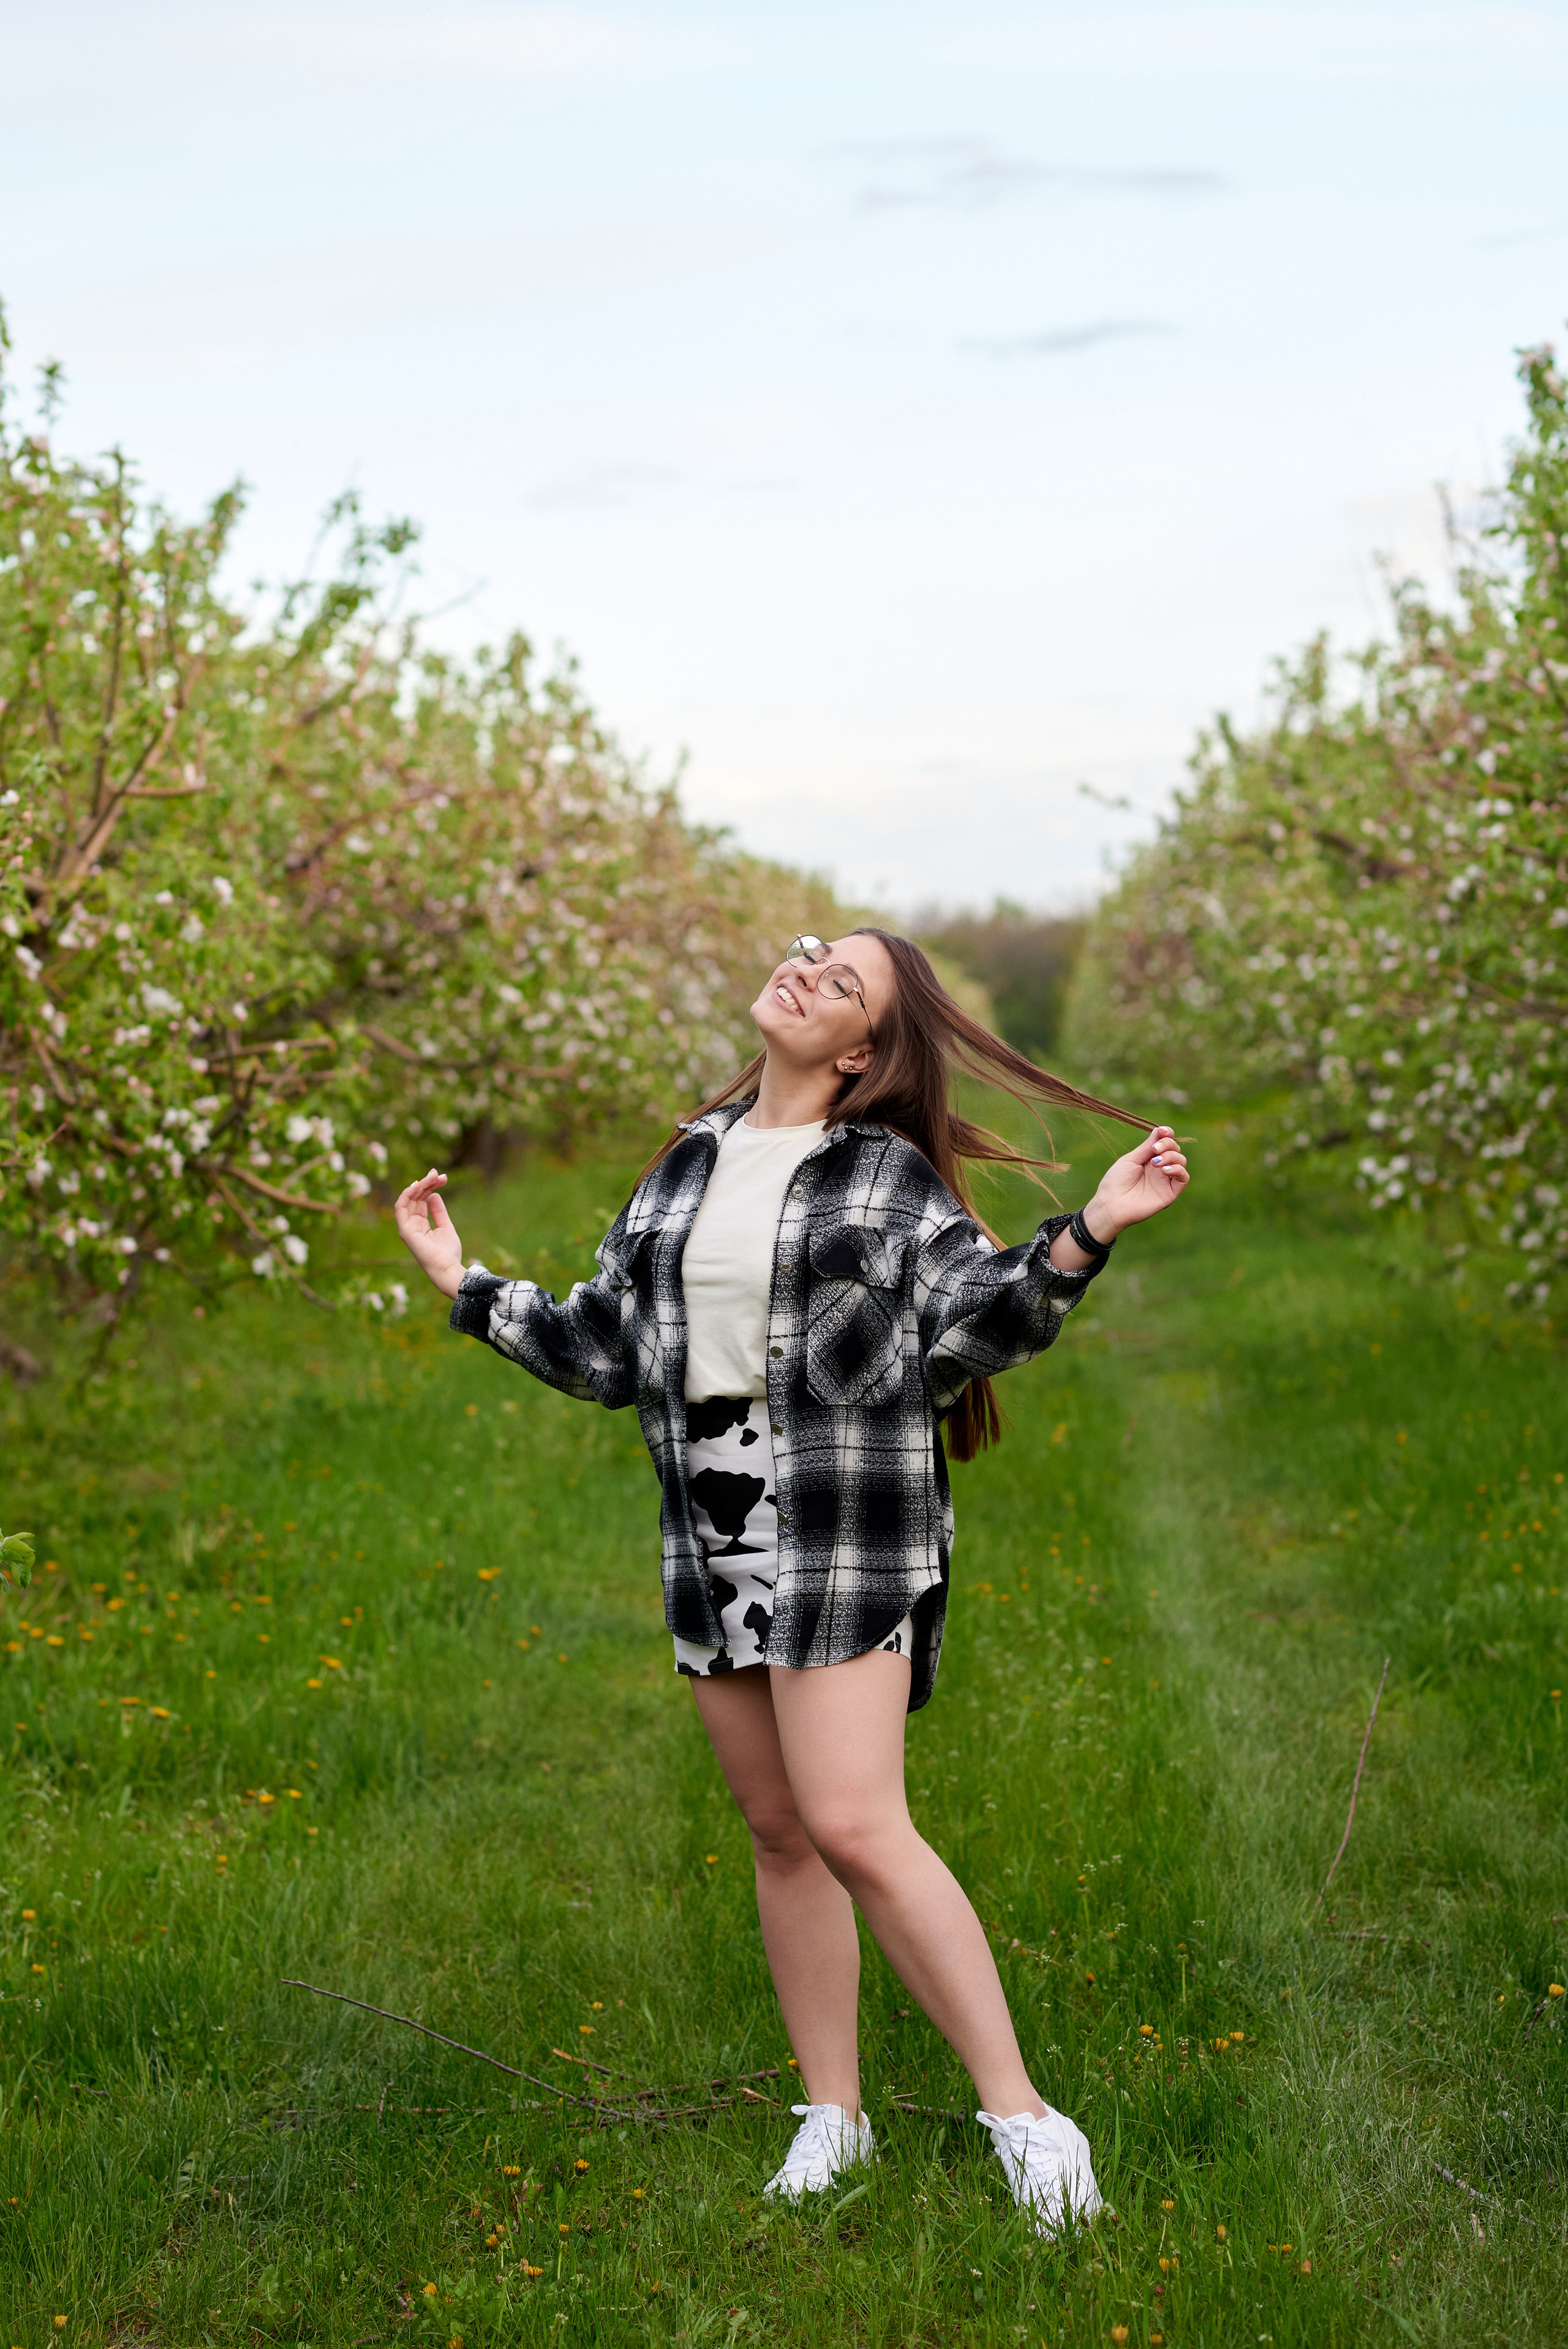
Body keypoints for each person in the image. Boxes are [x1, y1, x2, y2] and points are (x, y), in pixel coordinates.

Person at [395, 929, 1188, 2233]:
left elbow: (972, 1320)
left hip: (842, 1529)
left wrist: (1085, 1232)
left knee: (856, 1822)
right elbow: (608, 1347)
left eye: (844, 984)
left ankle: (1029, 2125)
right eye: (812, 954)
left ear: (863, 1051)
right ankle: (835, 2113)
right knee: (779, 1831)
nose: (807, 972)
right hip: (708, 1529)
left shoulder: (880, 1178)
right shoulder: (685, 1164)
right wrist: (466, 1285)